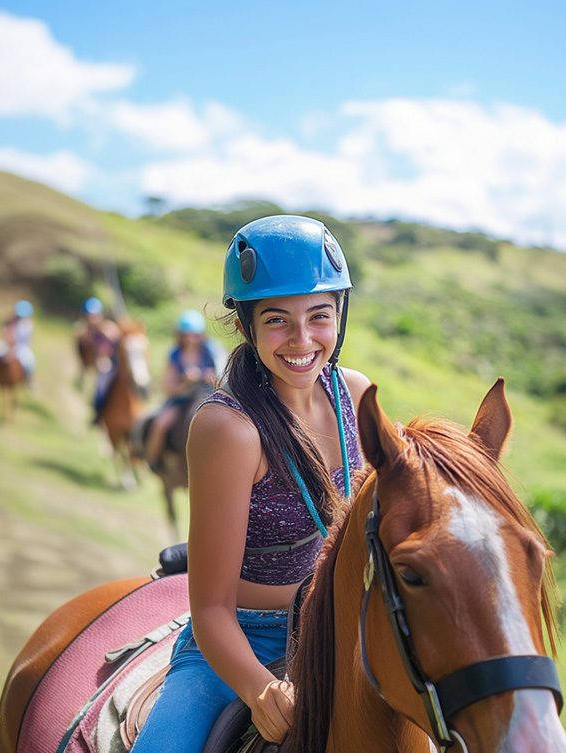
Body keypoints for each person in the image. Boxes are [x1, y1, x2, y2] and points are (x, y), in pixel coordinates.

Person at [130, 215, 371, 752]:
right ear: (245, 325)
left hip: (343, 627)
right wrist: (259, 689)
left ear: (340, 317)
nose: (303, 340)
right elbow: (210, 608)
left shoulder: (354, 394)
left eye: (319, 316)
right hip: (242, 638)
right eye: (278, 320)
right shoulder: (229, 429)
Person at [142, 308, 222, 470]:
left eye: (194, 334)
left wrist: (208, 377)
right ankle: (153, 461)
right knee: (160, 423)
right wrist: (184, 382)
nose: (190, 339)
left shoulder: (211, 350)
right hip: (180, 400)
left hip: (208, 398)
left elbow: (222, 378)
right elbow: (168, 386)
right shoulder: (175, 354)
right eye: (186, 334)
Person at [0, 299, 35, 386]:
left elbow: (28, 338)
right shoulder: (9, 320)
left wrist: (26, 346)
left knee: (30, 361)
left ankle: (27, 380)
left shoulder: (28, 324)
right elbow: (4, 332)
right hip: (7, 344)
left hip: (21, 346)